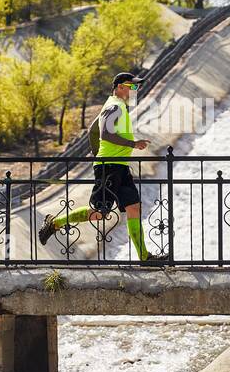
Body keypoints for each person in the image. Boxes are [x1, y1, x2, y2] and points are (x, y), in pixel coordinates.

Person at [39, 72, 165, 262]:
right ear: (120, 87)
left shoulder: (119, 106)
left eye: (136, 87)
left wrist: (98, 152)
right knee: (99, 213)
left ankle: (145, 257)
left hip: (119, 167)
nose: (135, 90)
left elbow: (93, 130)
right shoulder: (114, 106)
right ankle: (54, 223)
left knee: (134, 208)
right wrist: (131, 145)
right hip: (109, 167)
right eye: (132, 86)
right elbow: (105, 133)